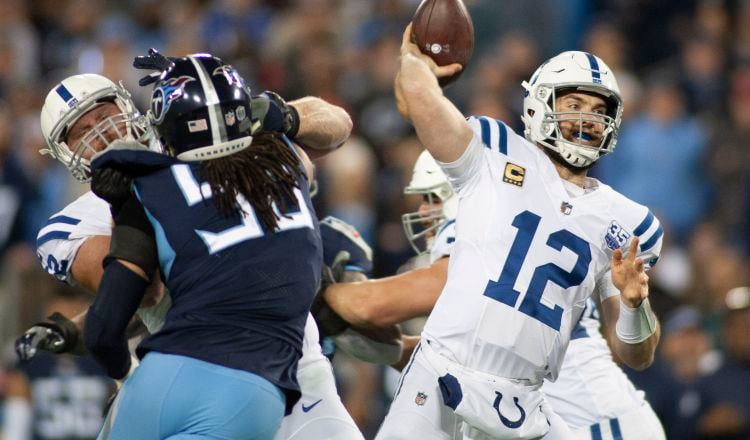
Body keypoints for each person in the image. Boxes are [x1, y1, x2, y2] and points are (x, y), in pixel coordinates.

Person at [23, 53, 361, 439]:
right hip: (203, 370)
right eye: (80, 132)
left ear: (128, 105)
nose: (102, 133)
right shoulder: (72, 223)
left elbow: (337, 125)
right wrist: (125, 204)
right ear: (63, 153)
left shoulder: (205, 140)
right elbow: (142, 293)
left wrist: (280, 114)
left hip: (297, 367)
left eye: (104, 115)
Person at [372, 25, 663, 440]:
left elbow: (637, 356)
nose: (587, 119)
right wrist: (414, 63)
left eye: (599, 111)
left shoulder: (627, 222)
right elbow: (423, 104)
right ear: (541, 104)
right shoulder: (492, 152)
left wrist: (636, 307)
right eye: (575, 103)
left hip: (525, 402)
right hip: (442, 371)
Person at [324, 150, 666, 439]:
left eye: (433, 197)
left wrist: (319, 293)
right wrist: (393, 348)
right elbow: (470, 358)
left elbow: (373, 307)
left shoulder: (482, 222)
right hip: (563, 418)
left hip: (592, 423)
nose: (425, 210)